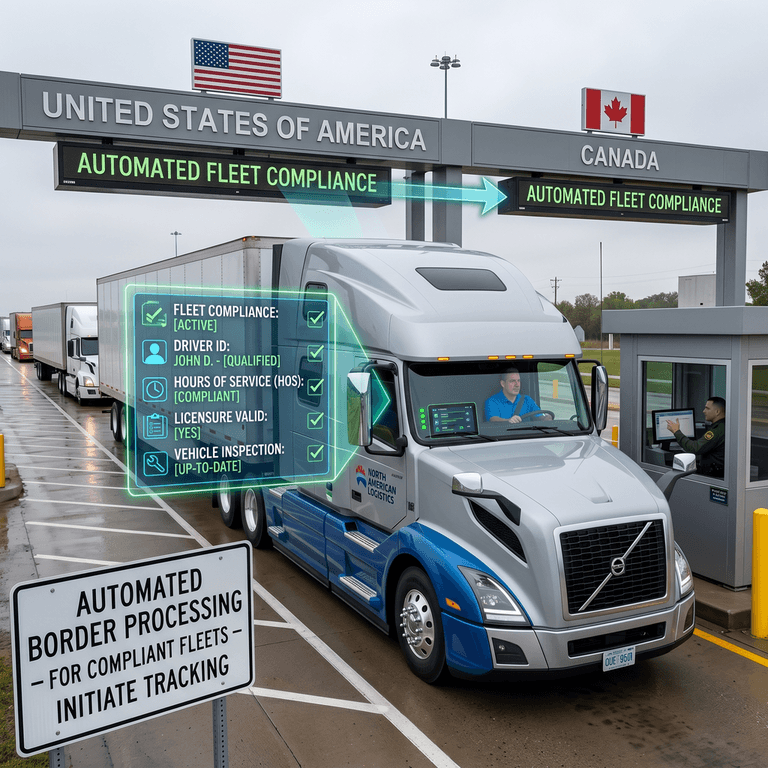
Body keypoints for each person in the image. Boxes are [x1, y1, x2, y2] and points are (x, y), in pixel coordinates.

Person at [666, 396, 726, 477]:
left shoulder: (717, 430)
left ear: (717, 411)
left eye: (707, 408)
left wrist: (676, 431)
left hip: (713, 476)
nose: (704, 411)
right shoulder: (723, 426)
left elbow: (694, 448)